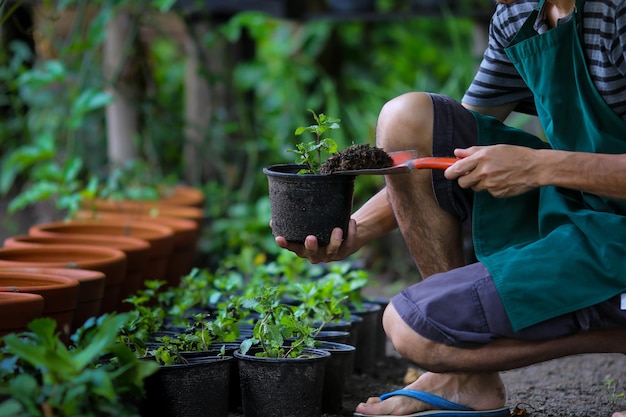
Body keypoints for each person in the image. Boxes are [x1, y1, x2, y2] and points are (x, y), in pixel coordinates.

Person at [273, 0, 626, 416]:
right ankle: (465, 380)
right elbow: (440, 156)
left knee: (415, 332)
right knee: (409, 120)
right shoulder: (519, 15)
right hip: (582, 208)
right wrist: (357, 228)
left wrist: (538, 166)